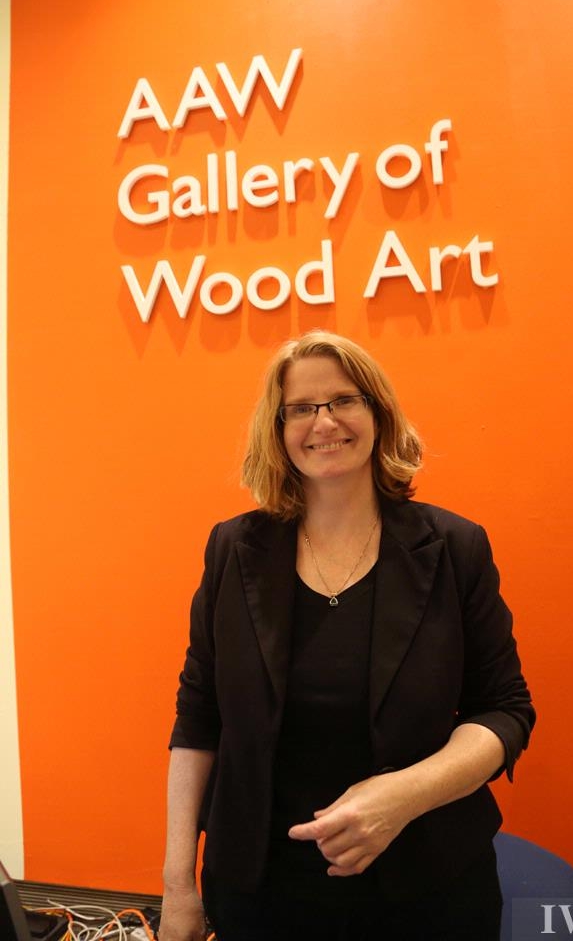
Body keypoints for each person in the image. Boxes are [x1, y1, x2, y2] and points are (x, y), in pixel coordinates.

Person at [159, 331, 535, 941]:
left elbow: (504, 710)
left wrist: (402, 797)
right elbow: (198, 718)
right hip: (261, 893)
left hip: (427, 891)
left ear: (378, 413)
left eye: (343, 400)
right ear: (278, 429)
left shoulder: (455, 547)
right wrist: (177, 886)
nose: (324, 422)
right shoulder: (233, 548)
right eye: (301, 408)